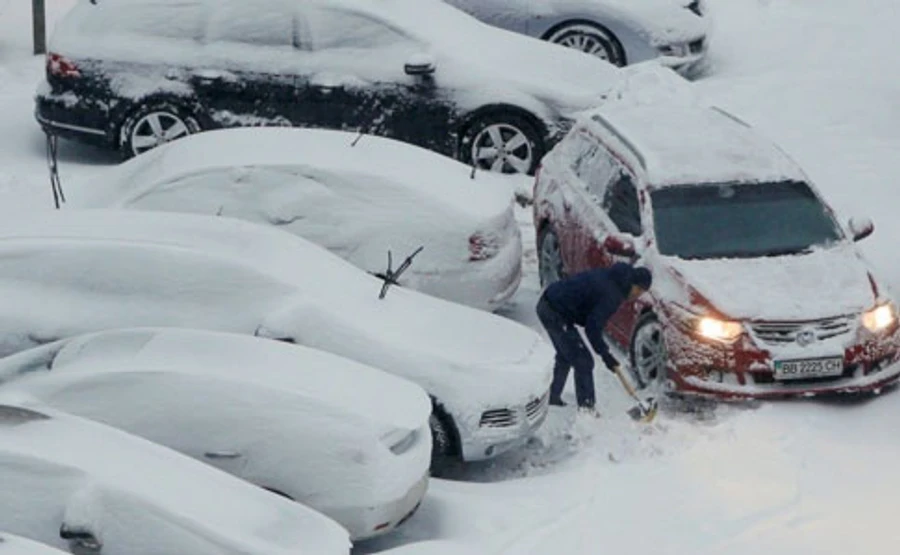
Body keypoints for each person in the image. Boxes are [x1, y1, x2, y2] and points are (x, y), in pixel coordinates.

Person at [535, 262, 653, 413]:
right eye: (639, 290)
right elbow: (593, 328)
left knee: (566, 356)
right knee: (583, 361)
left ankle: (552, 397)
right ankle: (587, 411)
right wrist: (605, 355)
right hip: (554, 312)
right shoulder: (612, 294)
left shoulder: (614, 279)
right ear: (633, 284)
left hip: (551, 305)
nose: (638, 295)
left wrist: (605, 354)